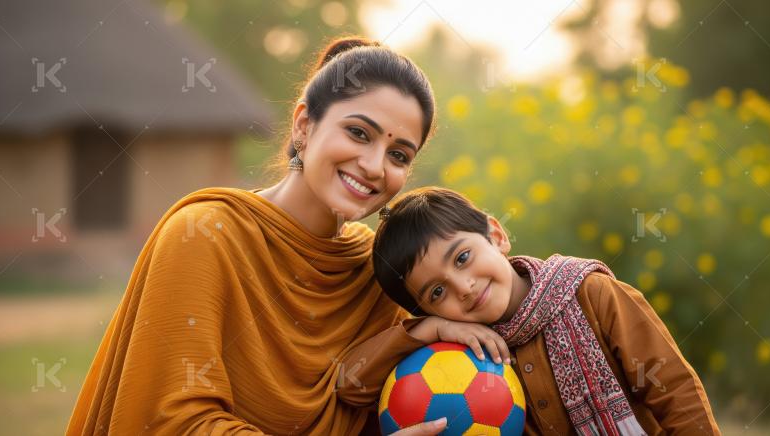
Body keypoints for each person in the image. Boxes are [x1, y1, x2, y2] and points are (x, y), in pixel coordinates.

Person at [66, 37, 507, 435]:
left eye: (398, 155)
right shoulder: (204, 235)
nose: (375, 166)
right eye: (358, 133)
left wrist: (428, 331)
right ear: (304, 125)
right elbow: (173, 422)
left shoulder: (375, 273)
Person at [365, 186, 721, 435]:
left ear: (496, 235)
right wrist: (431, 331)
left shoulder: (591, 294)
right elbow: (352, 388)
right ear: (428, 311)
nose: (464, 287)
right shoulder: (459, 356)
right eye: (437, 292)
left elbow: (674, 390)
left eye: (462, 258)